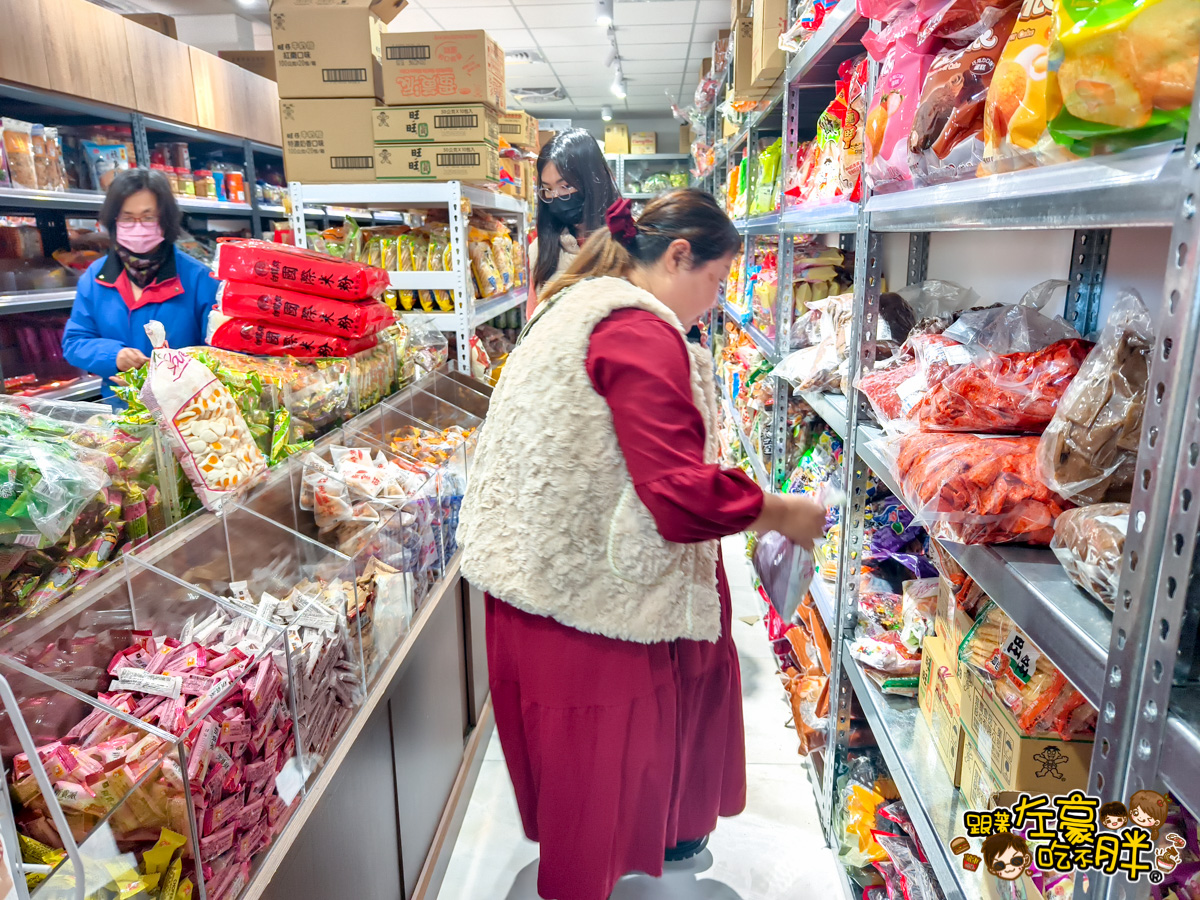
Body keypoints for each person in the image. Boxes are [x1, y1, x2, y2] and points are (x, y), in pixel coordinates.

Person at [458, 190, 828, 900]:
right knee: (594, 789)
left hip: (540, 584)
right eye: (717, 282)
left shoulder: (575, 305)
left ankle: (640, 845)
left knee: (586, 785)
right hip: (585, 614)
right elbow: (681, 496)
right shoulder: (638, 332)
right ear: (678, 255)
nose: (716, 303)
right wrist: (781, 512)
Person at [62, 167, 219, 402]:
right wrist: (114, 356)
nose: (138, 226)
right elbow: (75, 342)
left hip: (188, 414)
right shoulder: (95, 277)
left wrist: (168, 376)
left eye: (148, 217)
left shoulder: (199, 278)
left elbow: (223, 354)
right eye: (127, 217)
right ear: (113, 221)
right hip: (121, 414)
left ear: (165, 220)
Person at [526, 128, 621, 316]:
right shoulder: (541, 249)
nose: (557, 197)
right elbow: (533, 317)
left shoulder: (628, 241)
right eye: (548, 189)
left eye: (566, 186)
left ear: (593, 181)